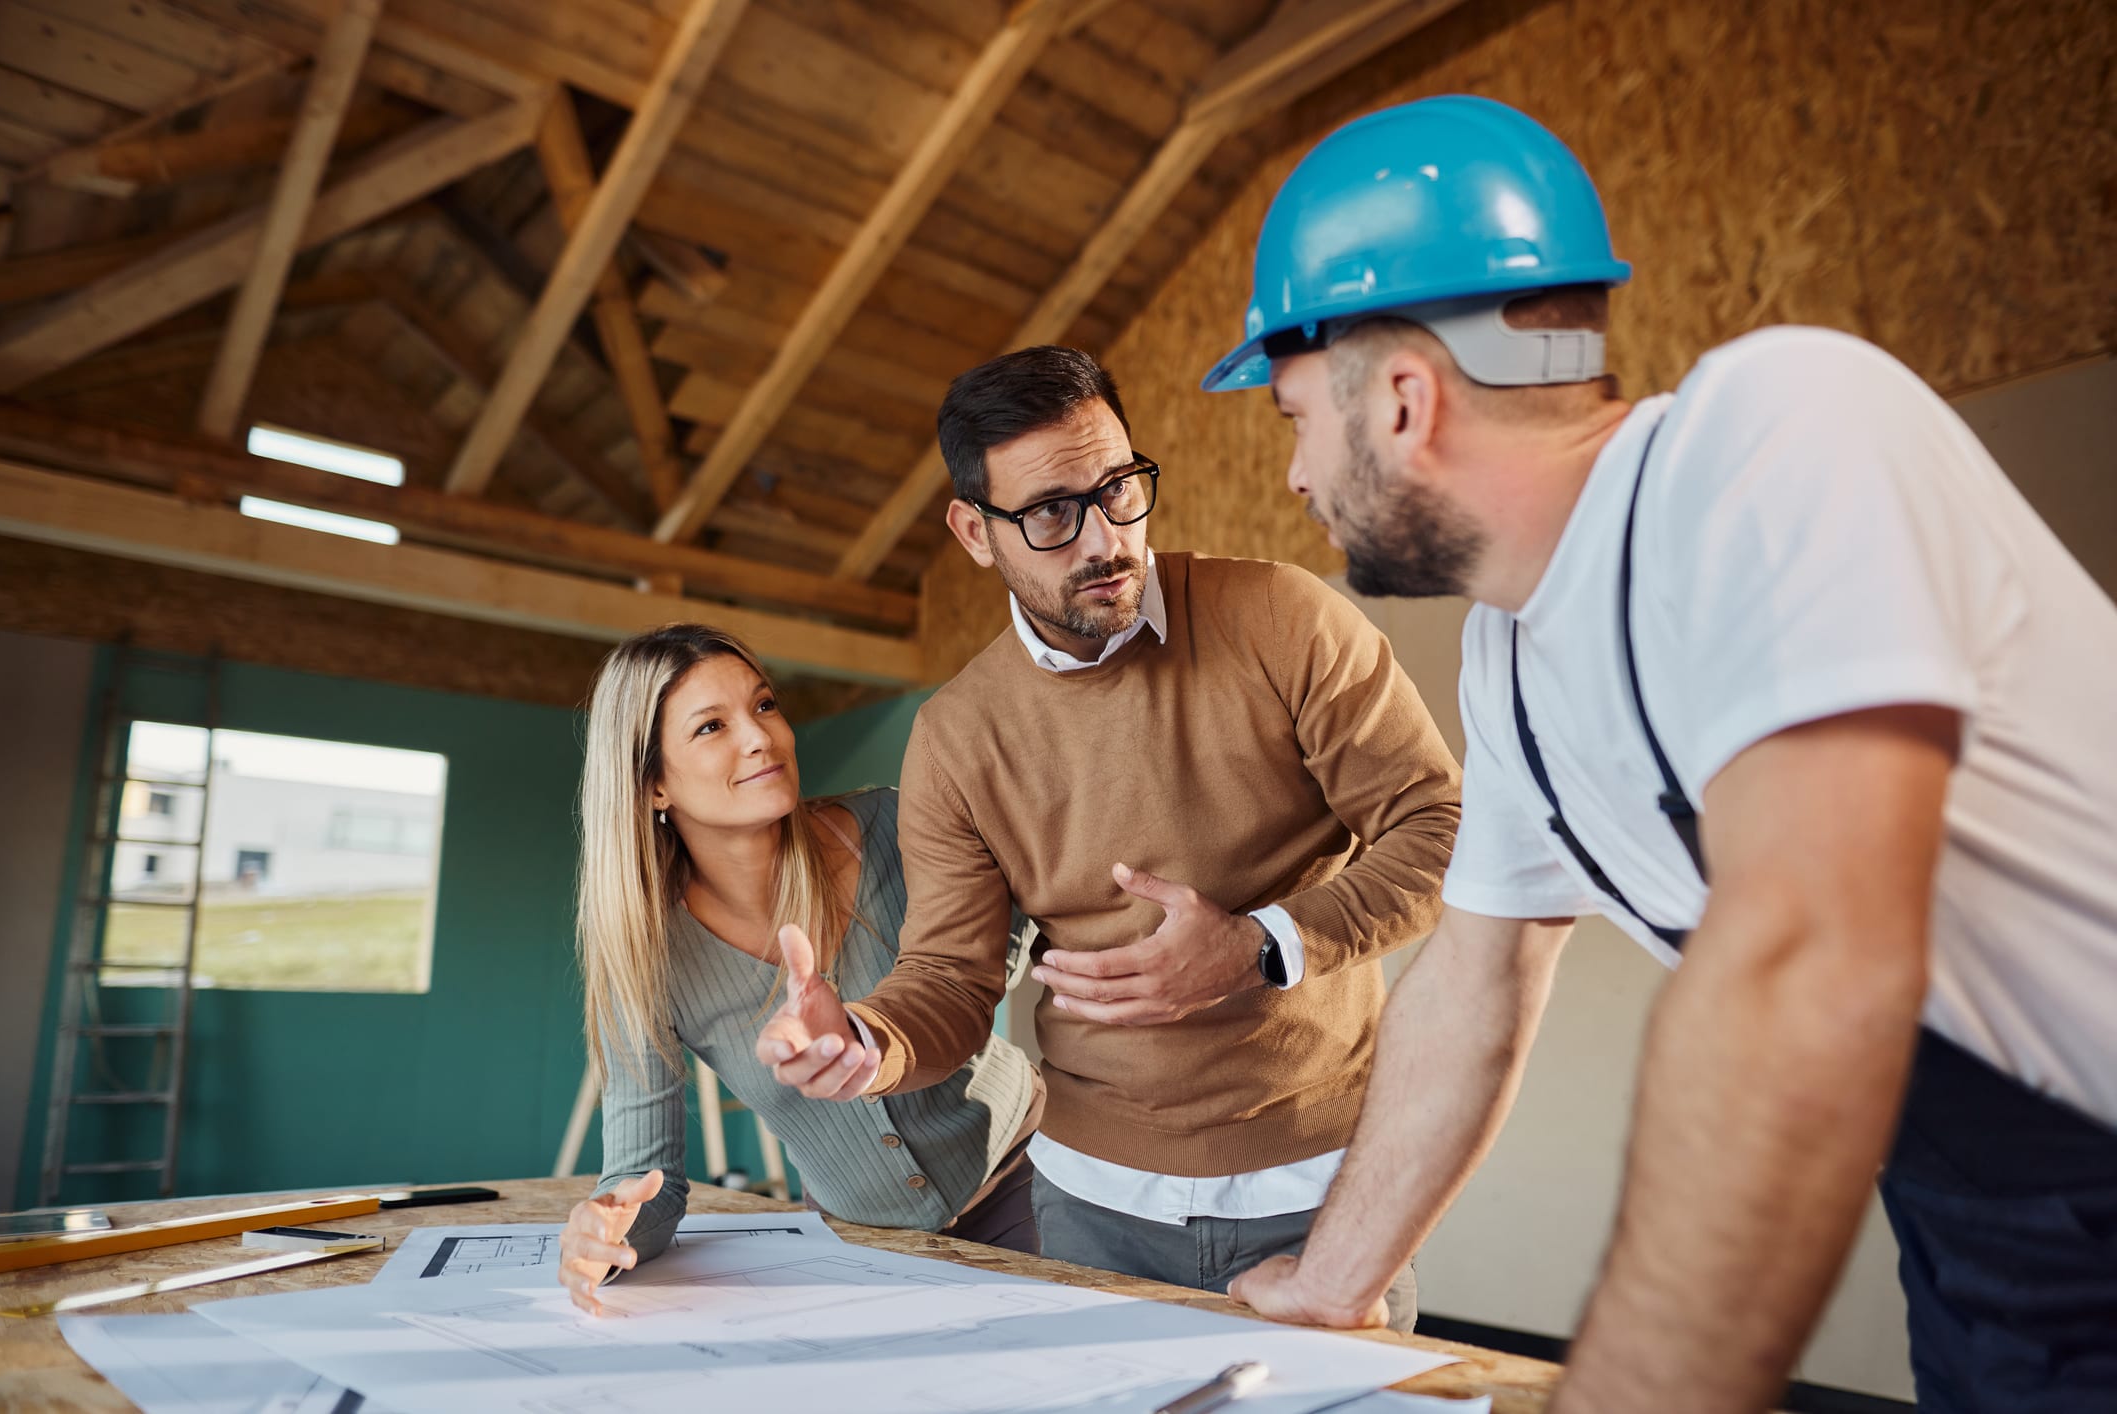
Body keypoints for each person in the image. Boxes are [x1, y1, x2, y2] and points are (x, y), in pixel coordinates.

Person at [1205, 96, 2117, 1412]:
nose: (1294, 475)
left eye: (1293, 416)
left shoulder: (1781, 433)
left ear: (1403, 399)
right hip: (1983, 1227)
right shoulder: (1509, 656)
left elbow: (1805, 962)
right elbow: (1477, 982)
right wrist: (1332, 1281)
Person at [753, 347, 1462, 1331]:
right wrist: (865, 1043)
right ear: (972, 531)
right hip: (1091, 1203)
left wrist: (1259, 945)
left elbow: (1440, 828)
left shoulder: (1282, 619)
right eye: (1050, 512)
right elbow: (953, 979)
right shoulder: (956, 738)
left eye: (1119, 488)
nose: (1103, 538)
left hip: (1325, 1188)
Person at [557, 625, 1042, 1315]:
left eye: (763, 706)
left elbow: (1008, 923)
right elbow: (649, 1184)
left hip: (1030, 1178)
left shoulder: (892, 827)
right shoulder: (647, 959)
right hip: (863, 1247)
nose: (760, 738)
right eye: (711, 727)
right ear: (654, 783)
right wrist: (606, 1228)